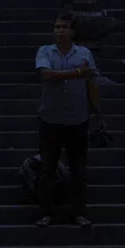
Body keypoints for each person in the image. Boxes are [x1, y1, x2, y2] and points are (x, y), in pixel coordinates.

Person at [35, 14, 101, 228]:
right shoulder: (45, 51)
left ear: (73, 31)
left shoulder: (84, 53)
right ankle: (46, 213)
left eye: (64, 27)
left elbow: (91, 84)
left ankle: (79, 213)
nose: (60, 31)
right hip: (50, 119)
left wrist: (100, 115)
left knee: (78, 170)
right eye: (57, 26)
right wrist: (78, 72)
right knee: (47, 169)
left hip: (77, 119)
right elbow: (46, 75)